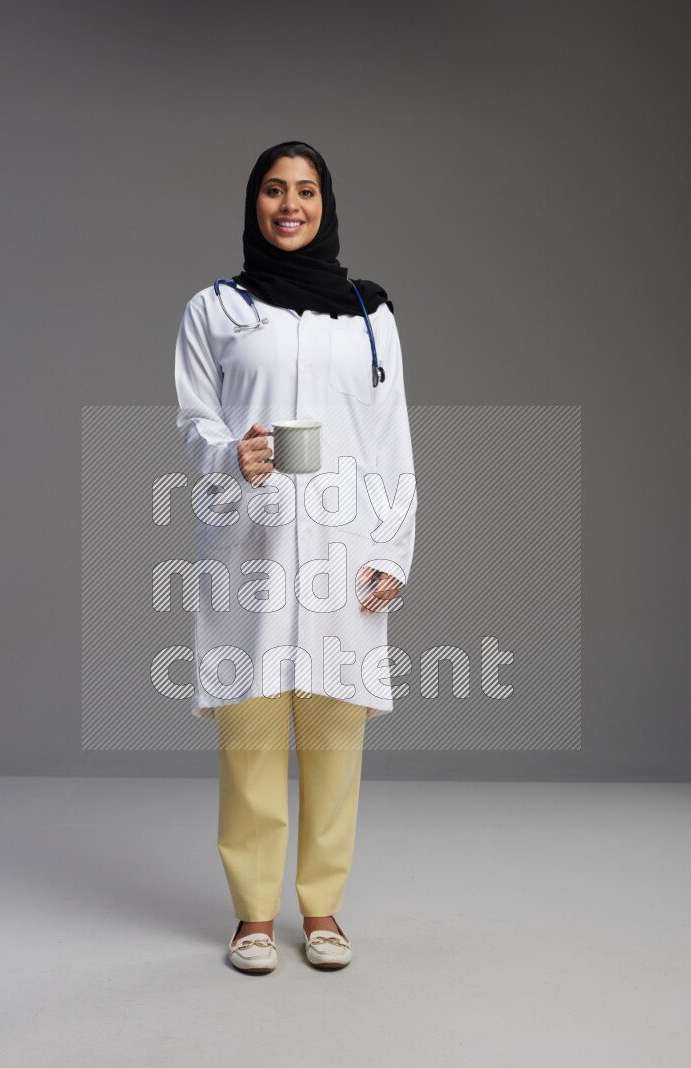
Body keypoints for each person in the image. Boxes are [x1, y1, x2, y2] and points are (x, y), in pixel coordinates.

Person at [174, 140, 417, 973]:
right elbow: (194, 420)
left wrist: (393, 546)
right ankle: (250, 914)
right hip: (251, 543)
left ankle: (321, 908)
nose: (290, 204)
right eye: (274, 190)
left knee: (332, 732)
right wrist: (223, 457)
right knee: (249, 729)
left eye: (305, 191)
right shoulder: (215, 309)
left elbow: (392, 441)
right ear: (254, 203)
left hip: (344, 548)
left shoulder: (368, 315)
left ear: (325, 203)